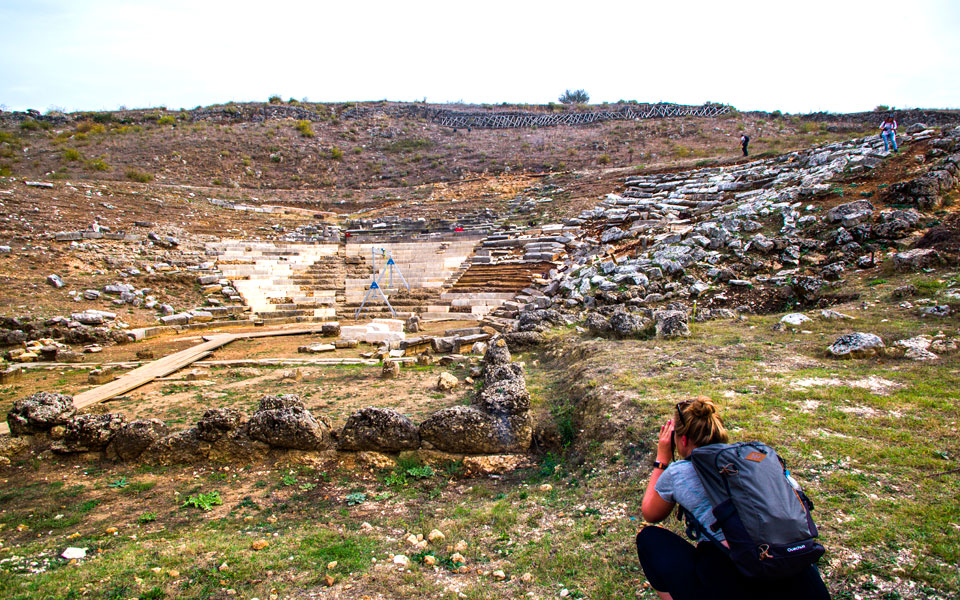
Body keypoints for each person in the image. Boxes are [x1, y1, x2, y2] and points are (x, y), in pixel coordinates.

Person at [636, 397, 830, 600]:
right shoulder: (758, 458)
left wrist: (662, 459)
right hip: (801, 576)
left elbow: (651, 513)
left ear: (682, 440)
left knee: (650, 538)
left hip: (740, 578)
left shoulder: (679, 472)